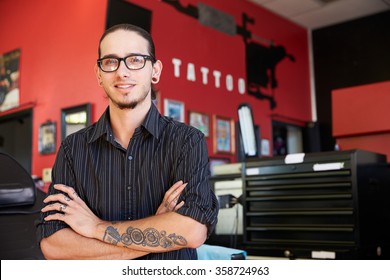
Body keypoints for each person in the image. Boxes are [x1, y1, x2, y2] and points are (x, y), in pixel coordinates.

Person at [37, 23, 219, 260]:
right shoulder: (73, 149)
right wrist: (159, 229)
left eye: (135, 60)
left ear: (155, 70)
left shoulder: (187, 141)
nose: (122, 72)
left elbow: (193, 231)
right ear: (99, 74)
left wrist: (95, 228)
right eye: (111, 61)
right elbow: (54, 246)